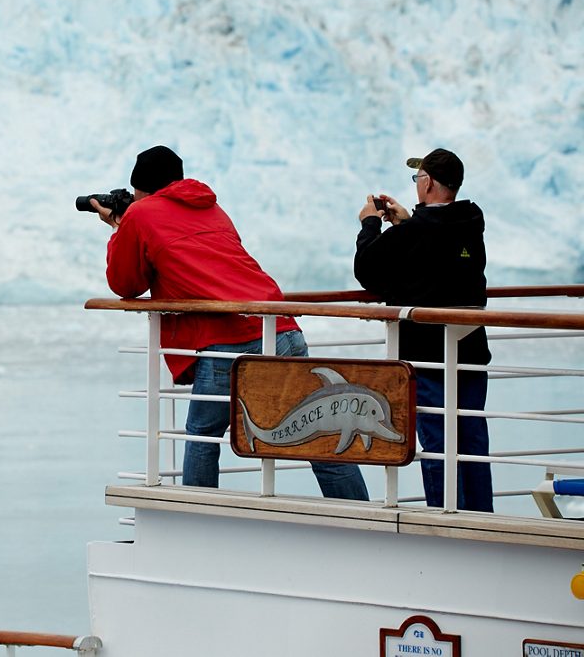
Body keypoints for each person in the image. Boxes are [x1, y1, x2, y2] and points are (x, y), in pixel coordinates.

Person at [93, 145, 369, 500]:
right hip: (280, 325)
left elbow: (126, 283)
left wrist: (119, 227)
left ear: (141, 189)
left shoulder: (141, 213)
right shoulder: (211, 207)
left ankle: (198, 523)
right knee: (320, 434)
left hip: (230, 339)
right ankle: (358, 511)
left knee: (201, 435)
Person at [353, 148, 493, 512]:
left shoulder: (415, 233)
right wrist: (405, 222)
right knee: (471, 439)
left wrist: (370, 223)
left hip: (426, 356)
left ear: (428, 182)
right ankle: (480, 515)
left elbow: (368, 269)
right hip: (471, 353)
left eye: (418, 179)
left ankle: (446, 518)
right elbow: (435, 258)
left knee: (438, 442)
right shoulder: (470, 223)